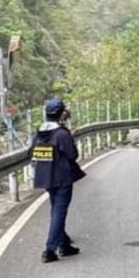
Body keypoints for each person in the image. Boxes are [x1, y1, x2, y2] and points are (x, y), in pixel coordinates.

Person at [30, 97, 85, 263]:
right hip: (62, 178)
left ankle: (64, 243)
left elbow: (32, 153)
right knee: (59, 212)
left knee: (56, 210)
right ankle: (50, 249)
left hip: (45, 177)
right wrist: (70, 138)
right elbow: (73, 155)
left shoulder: (39, 133)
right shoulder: (61, 134)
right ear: (62, 113)